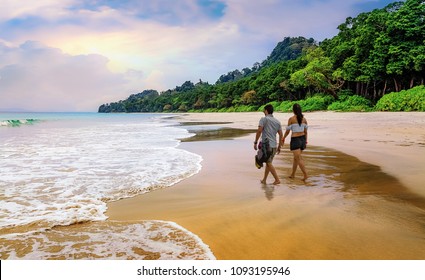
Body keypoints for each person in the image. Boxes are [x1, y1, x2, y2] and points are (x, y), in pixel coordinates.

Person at [254, 104, 283, 185]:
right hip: (274, 145)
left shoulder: (263, 119)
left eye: (264, 110)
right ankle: (264, 180)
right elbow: (281, 134)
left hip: (266, 146)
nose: (263, 111)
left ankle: (277, 180)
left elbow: (259, 130)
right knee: (268, 162)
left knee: (268, 163)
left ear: (266, 111)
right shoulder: (277, 121)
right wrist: (279, 146)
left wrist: (255, 142)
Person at [283, 103, 308, 181]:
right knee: (295, 159)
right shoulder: (304, 119)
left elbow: (287, 131)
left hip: (295, 140)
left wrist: (283, 138)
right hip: (302, 139)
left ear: (293, 110)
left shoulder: (291, 119)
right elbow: (306, 132)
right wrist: (306, 141)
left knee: (299, 158)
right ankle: (293, 174)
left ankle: (305, 175)